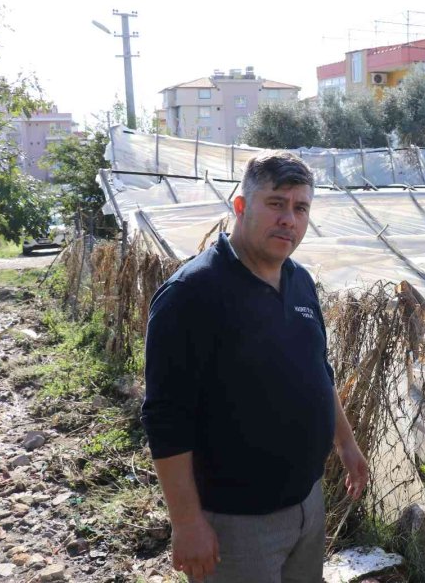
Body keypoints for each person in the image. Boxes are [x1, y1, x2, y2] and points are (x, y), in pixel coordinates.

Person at [141, 151, 368, 582]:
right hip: (236, 521)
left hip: (307, 501)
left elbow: (318, 369)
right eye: (276, 203)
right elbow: (165, 417)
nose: (289, 219)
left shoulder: (299, 281)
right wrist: (188, 523)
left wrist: (346, 443)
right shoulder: (193, 293)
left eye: (301, 208)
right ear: (241, 207)